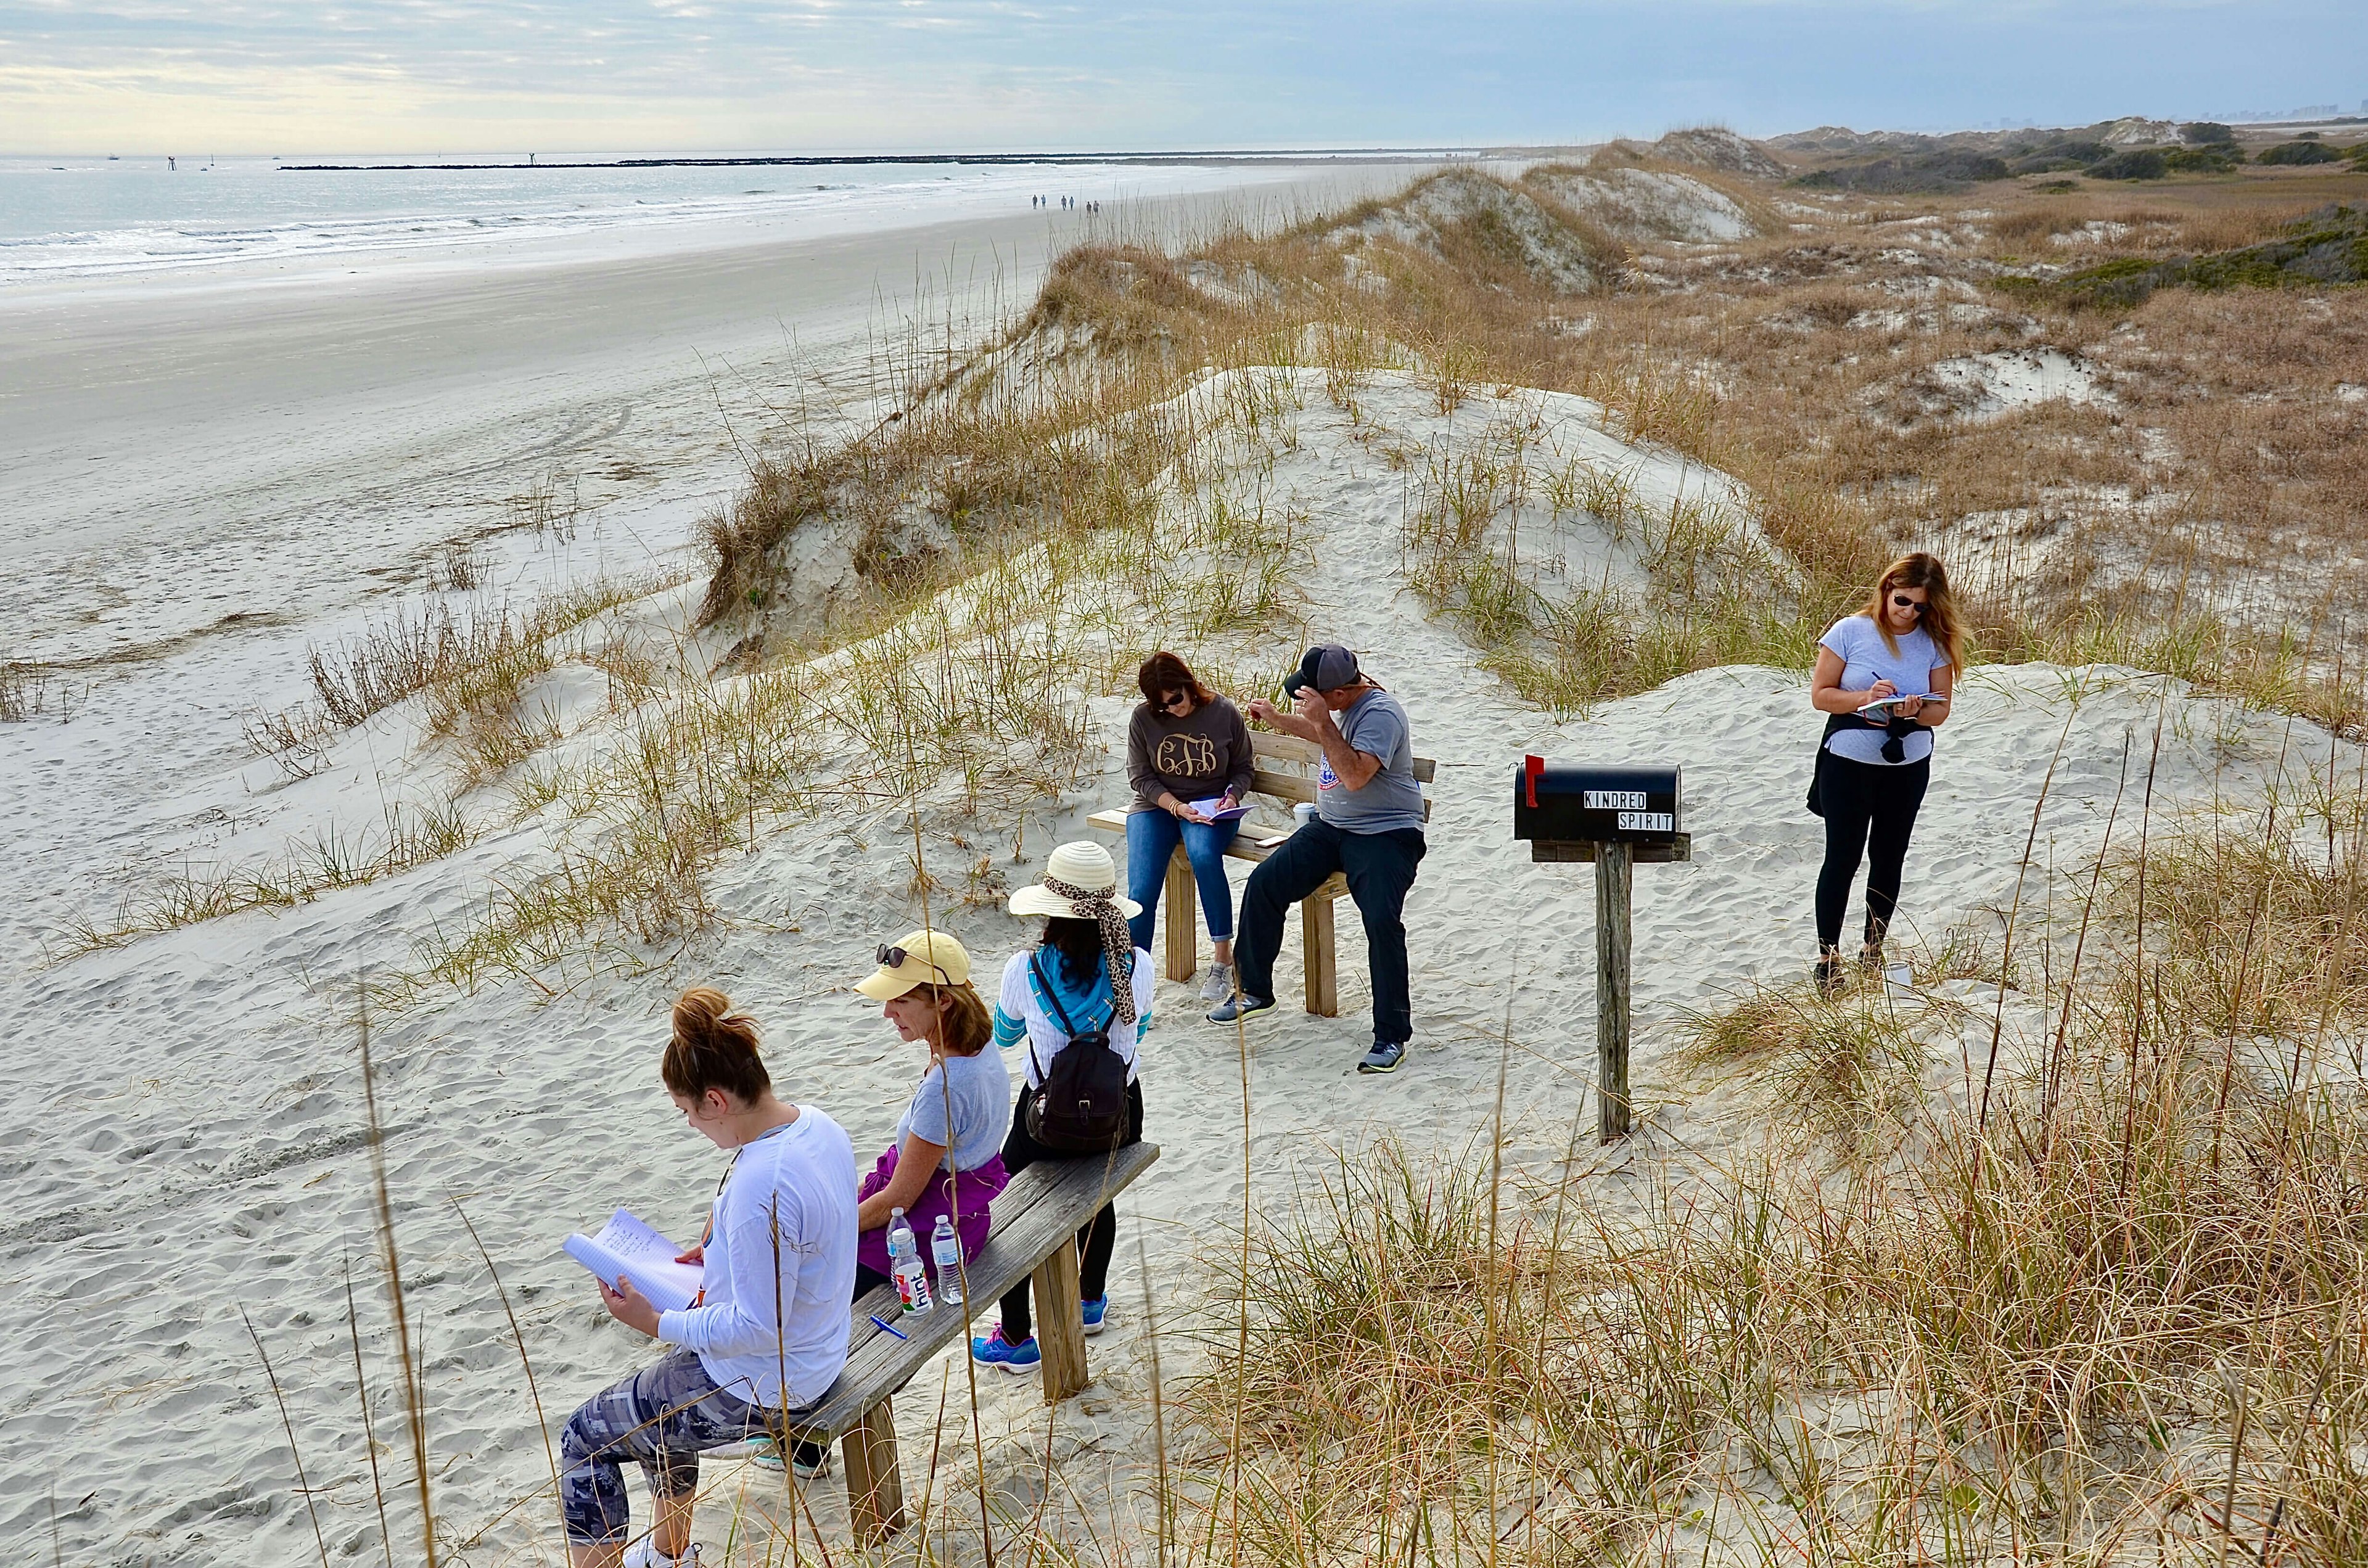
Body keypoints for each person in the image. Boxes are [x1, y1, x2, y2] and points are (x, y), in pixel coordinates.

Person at [557, 988, 857, 1568]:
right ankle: (671, 1554)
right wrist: (721, 1244)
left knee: (585, 1436)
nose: (691, 1123)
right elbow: (805, 1234)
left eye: (688, 1111)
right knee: (651, 1402)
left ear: (716, 1099)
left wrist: (656, 1320)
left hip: (769, 1383)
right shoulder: (819, 1127)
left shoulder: (757, 1187)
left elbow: (755, 1324)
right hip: (819, 1349)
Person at [970, 841, 1153, 1373]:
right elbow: (1137, 1030)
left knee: (1003, 1208)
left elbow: (1004, 1036)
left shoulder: (1024, 968)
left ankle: (1016, 1335)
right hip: (1120, 1113)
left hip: (1047, 1119)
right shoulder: (1137, 964)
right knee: (1101, 1189)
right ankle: (1090, 1299)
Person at [1209, 644, 1426, 1075]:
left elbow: (1356, 775)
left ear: (1340, 694)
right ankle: (1254, 990)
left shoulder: (1381, 713)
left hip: (1386, 834)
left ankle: (1391, 1035)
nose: (1303, 700)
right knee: (1265, 882)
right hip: (1332, 828)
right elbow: (1319, 733)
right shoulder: (1340, 710)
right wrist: (1277, 719)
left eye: (1311, 696)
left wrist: (1323, 722)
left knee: (1381, 919)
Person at [1807, 552, 1961, 994]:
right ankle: (1828, 958)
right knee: (1843, 857)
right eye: (1903, 600)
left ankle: (1873, 951)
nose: (1909, 612)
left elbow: (1941, 711)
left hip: (1907, 763)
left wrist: (1914, 709)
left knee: (1890, 856)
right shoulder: (1850, 631)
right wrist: (1866, 697)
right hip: (1849, 760)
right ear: (1886, 588)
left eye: (1921, 606)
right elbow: (1821, 695)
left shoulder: (1935, 642)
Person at [1125, 651, 1256, 1002]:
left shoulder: (1223, 712)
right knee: (1140, 890)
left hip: (1210, 805)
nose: (1171, 709)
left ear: (1187, 684)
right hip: (1158, 806)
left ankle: (1222, 960)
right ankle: (1135, 980)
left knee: (1202, 855)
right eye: (1162, 706)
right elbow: (1140, 777)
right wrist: (1176, 807)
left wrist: (1232, 796)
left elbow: (1244, 768)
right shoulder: (1144, 719)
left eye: (1176, 700)